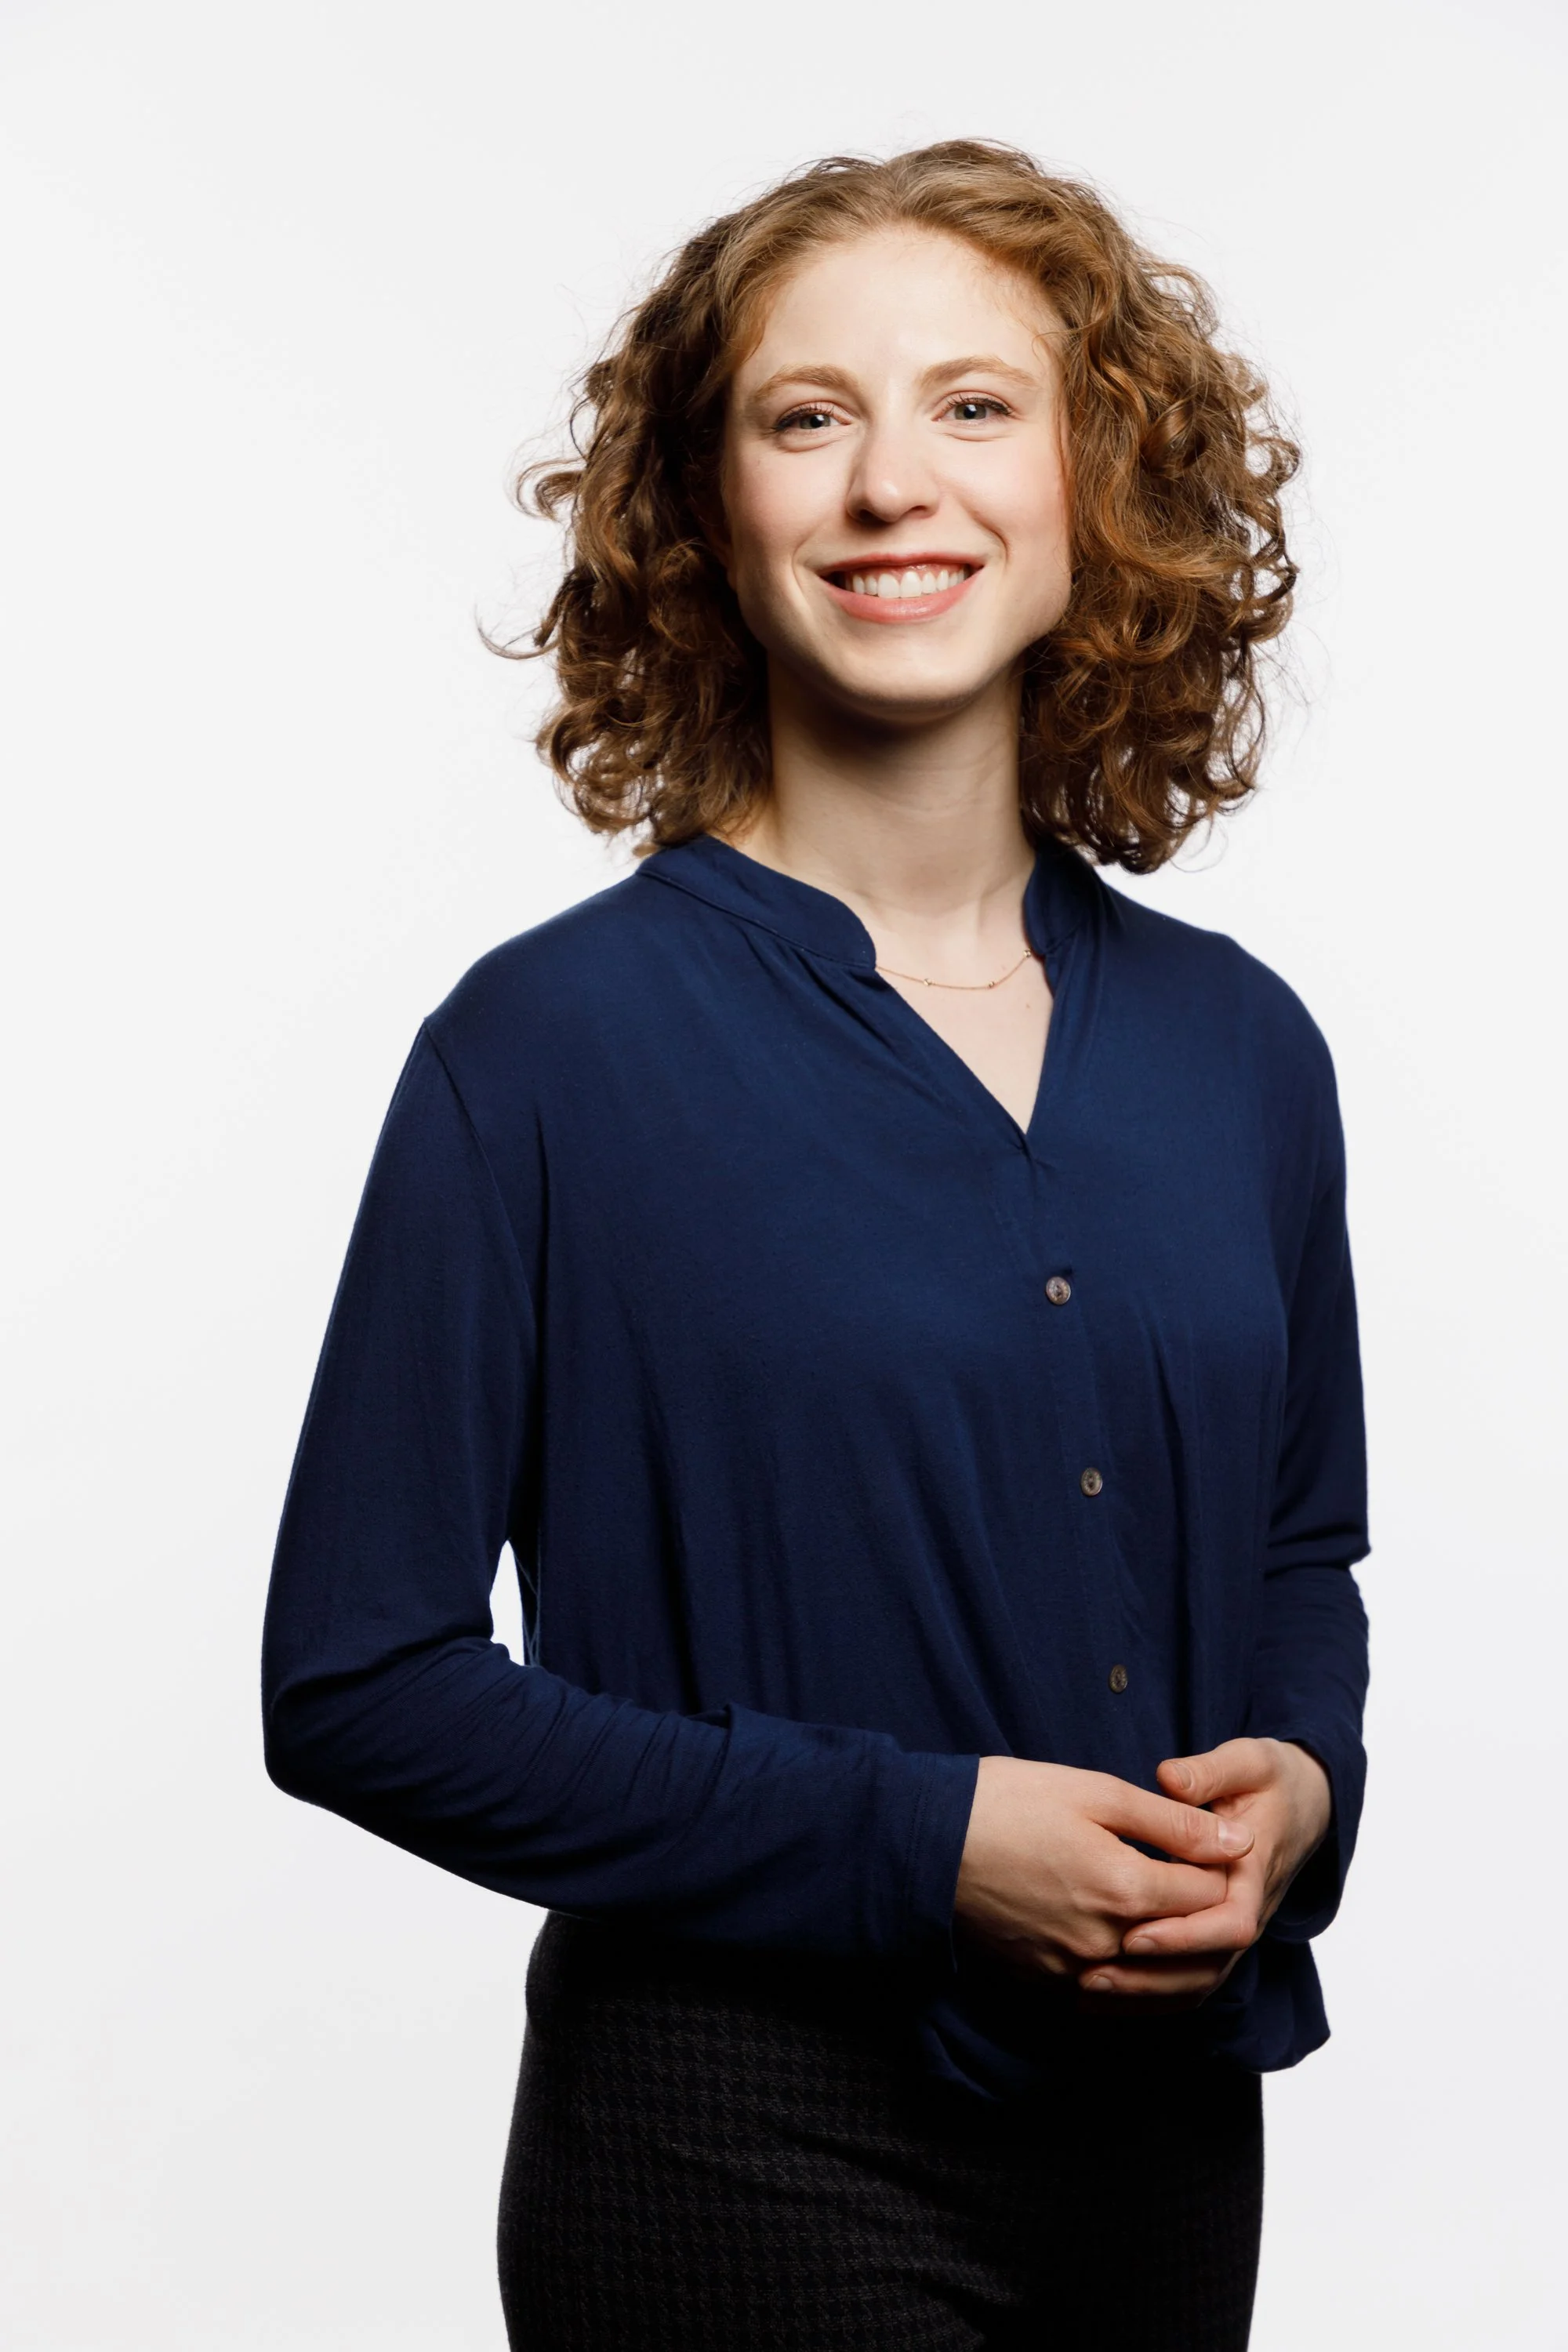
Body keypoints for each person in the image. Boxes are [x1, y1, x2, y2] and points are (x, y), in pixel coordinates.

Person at [261, 140, 1370, 2350]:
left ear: (1096, 480)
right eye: (807, 416)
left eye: (973, 405)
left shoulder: (1244, 1050)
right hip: (733, 2147)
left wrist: (1304, 1790)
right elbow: (359, 1683)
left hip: (1169, 2150)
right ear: (707, 507)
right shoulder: (545, 1053)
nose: (890, 483)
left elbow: (1292, 1556)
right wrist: (922, 1842)